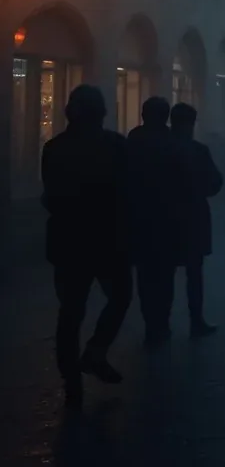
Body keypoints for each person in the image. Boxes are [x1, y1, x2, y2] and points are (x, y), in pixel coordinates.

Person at [40, 85, 132, 409]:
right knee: (120, 297)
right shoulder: (115, 146)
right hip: (108, 239)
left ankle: (71, 382)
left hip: (68, 241)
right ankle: (95, 350)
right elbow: (128, 192)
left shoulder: (53, 148)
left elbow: (50, 197)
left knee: (70, 313)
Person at [127, 96, 189, 346]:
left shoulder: (134, 139)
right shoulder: (173, 142)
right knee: (165, 275)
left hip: (141, 217)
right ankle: (161, 321)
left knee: (145, 275)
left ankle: (151, 321)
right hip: (168, 217)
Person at [170, 102, 223, 337]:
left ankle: (158, 324)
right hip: (192, 217)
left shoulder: (161, 149)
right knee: (194, 273)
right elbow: (215, 182)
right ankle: (195, 319)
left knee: (163, 273)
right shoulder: (198, 150)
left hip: (163, 218)